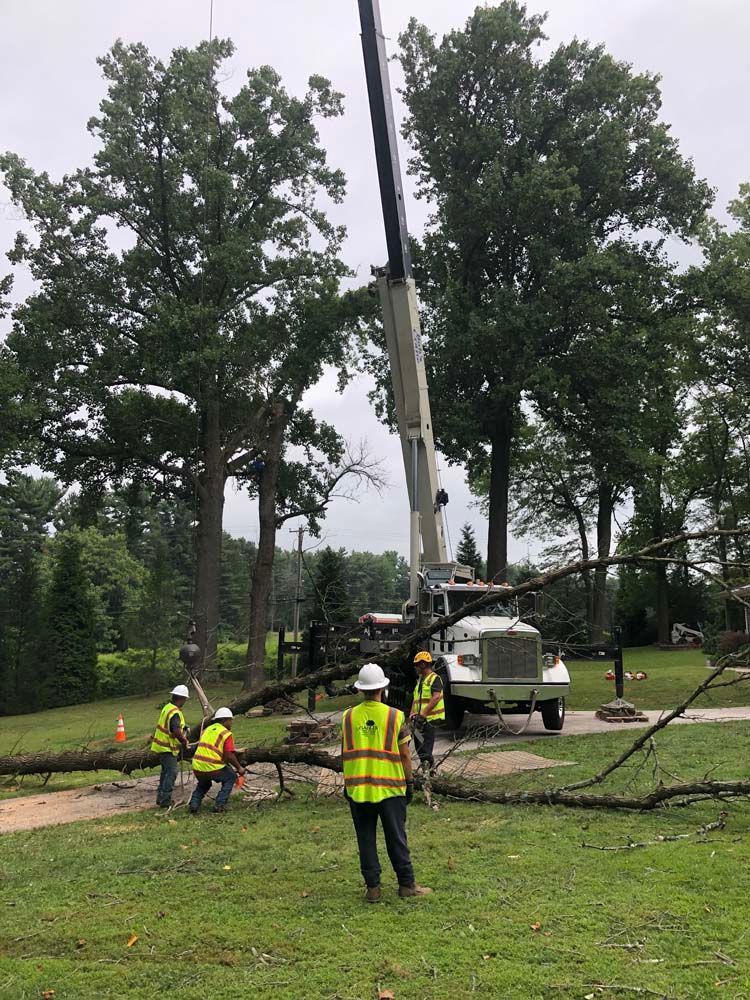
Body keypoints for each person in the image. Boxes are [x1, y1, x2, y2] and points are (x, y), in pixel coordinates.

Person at [342, 662, 432, 902]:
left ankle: (373, 889)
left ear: (361, 689)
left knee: (365, 839)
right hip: (391, 788)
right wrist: (409, 782)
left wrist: (347, 783)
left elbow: (346, 751)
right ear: (383, 688)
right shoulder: (395, 716)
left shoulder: (348, 717)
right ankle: (406, 884)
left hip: (358, 789)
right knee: (396, 837)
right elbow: (404, 754)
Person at [189, 707, 247, 814]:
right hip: (212, 765)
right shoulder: (226, 733)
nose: (231, 723)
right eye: (230, 720)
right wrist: (239, 768)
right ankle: (220, 804)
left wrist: (235, 751)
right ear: (225, 720)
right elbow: (229, 755)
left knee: (204, 783)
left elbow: (214, 747)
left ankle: (194, 804)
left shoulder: (207, 730)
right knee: (231, 777)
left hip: (197, 765)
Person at [150, 684, 190, 809]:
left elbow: (171, 725)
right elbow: (176, 730)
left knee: (165, 772)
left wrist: (184, 727)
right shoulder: (175, 712)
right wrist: (184, 741)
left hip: (160, 746)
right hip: (168, 747)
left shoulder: (167, 707)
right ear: (182, 698)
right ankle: (165, 801)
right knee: (172, 772)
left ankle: (160, 798)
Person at [409, 651, 445, 774]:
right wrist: (412, 714)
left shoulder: (435, 679)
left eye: (417, 665)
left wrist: (423, 714)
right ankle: (427, 770)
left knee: (425, 748)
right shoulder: (421, 680)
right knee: (419, 746)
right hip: (419, 720)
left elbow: (435, 697)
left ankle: (430, 772)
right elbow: (416, 699)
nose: (415, 667)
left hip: (430, 720)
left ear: (423, 664)